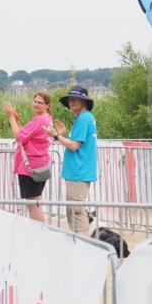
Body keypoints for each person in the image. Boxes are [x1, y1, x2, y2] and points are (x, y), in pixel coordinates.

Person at [46, 86, 98, 235]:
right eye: (70, 99)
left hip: (78, 170)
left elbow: (74, 146)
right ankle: (82, 242)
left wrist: (56, 136)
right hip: (79, 170)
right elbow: (77, 143)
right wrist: (65, 134)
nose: (71, 102)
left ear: (84, 101)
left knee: (76, 211)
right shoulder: (84, 118)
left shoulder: (83, 118)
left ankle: (83, 244)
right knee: (74, 209)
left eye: (76, 99)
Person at [5, 92, 53, 222]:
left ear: (47, 105)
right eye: (35, 101)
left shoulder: (39, 120)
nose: (36, 104)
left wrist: (10, 117)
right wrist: (17, 120)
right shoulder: (47, 119)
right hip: (39, 165)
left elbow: (18, 136)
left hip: (30, 167)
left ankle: (38, 232)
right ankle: (39, 231)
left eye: (40, 102)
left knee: (33, 205)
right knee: (35, 202)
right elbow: (25, 136)